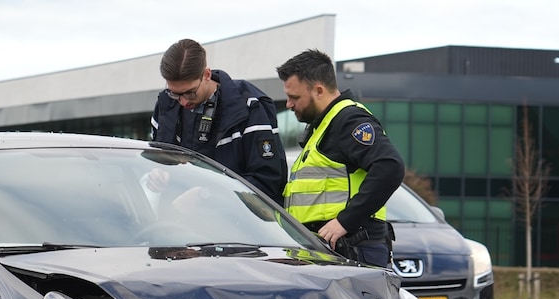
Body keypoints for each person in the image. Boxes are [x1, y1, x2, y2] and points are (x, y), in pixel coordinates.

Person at [276, 48, 405, 267]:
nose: (288, 104)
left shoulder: (348, 120)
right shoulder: (323, 127)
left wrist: (345, 221)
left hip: (352, 249)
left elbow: (390, 167)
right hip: (330, 251)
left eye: (294, 97)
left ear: (318, 90)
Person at [150, 39, 286, 203]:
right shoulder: (165, 106)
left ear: (206, 75)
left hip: (234, 217)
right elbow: (156, 162)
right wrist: (157, 174)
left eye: (190, 93)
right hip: (173, 215)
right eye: (174, 93)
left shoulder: (249, 106)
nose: (183, 102)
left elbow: (267, 181)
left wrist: (205, 195)